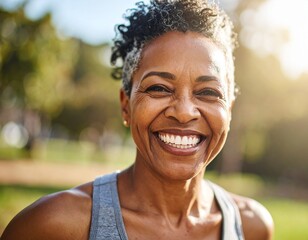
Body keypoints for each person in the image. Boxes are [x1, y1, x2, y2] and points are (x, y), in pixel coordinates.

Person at [1, 0, 274, 239]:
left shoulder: (251, 227)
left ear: (230, 110)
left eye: (208, 92)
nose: (184, 112)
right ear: (126, 106)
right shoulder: (52, 227)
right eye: (158, 88)